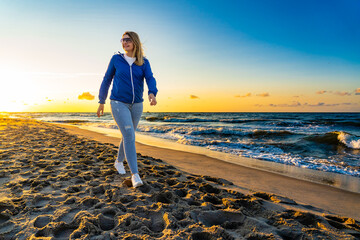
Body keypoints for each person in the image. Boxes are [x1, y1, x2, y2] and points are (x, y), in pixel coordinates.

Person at [97, 31, 158, 188]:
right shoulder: (116, 59)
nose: (124, 43)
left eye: (127, 40)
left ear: (135, 42)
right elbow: (107, 79)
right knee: (130, 135)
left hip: (137, 104)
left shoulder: (143, 62)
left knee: (128, 135)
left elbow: (150, 78)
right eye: (122, 40)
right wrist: (101, 100)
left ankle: (118, 162)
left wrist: (152, 92)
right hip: (118, 103)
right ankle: (135, 175)